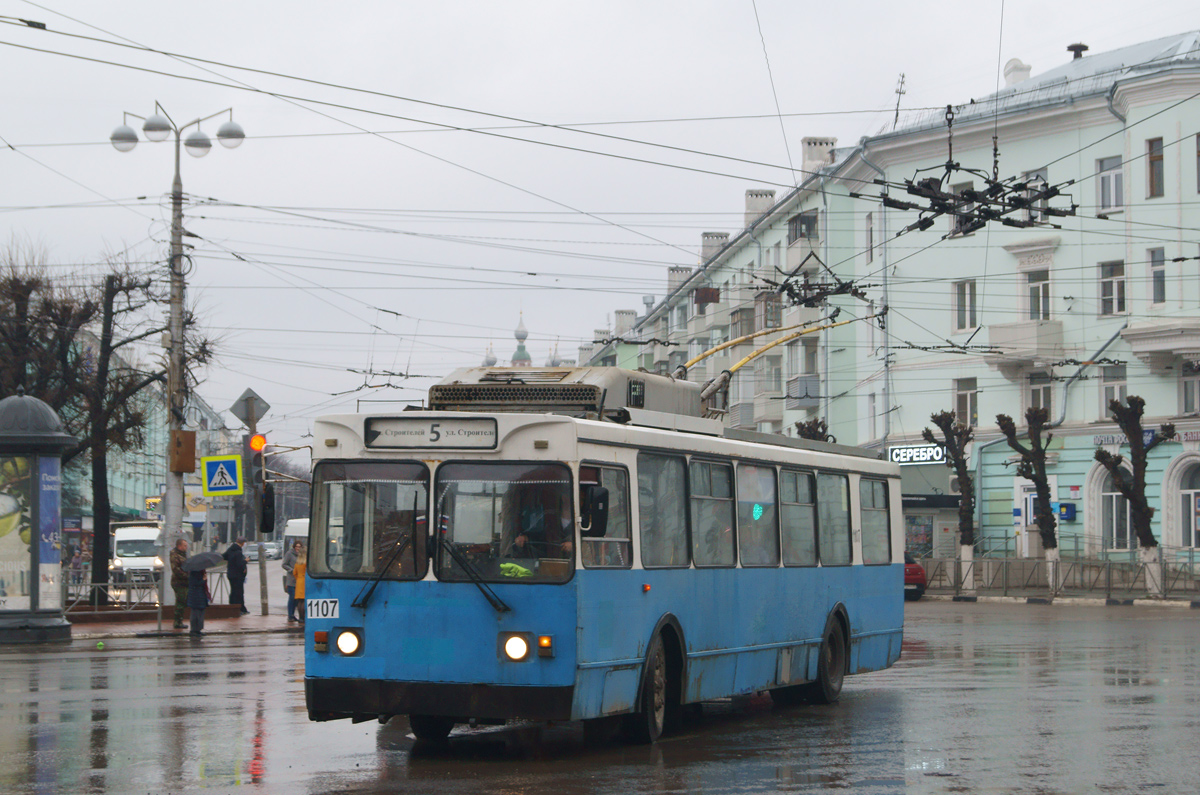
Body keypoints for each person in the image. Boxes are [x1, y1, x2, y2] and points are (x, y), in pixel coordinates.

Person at [223, 536, 249, 615]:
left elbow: (224, 556)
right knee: (239, 593)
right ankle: (240, 609)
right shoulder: (238, 552)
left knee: (233, 592)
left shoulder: (231, 549)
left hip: (231, 574)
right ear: (243, 543)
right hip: (237, 576)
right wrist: (245, 561)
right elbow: (239, 564)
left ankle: (232, 607)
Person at [169, 538, 189, 629]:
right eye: (184, 545)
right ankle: (177, 622)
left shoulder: (182, 554)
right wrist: (186, 575)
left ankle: (179, 620)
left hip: (183, 582)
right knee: (180, 602)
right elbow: (176, 569)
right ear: (179, 546)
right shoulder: (175, 555)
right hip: (178, 582)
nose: (186, 547)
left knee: (182, 601)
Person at [187, 567, 211, 637]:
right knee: (196, 613)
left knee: (200, 613)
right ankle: (194, 630)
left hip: (199, 595)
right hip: (196, 595)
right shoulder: (194, 572)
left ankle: (197, 630)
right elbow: (195, 584)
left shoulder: (199, 572)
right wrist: (203, 580)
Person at [283, 540, 303, 622]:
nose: (298, 548)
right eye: (296, 546)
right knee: (292, 597)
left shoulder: (302, 555)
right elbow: (284, 564)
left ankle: (293, 615)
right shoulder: (289, 554)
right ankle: (290, 615)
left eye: (299, 547)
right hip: (291, 580)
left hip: (299, 580)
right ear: (294, 547)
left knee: (296, 599)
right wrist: (292, 570)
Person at [293, 548, 307, 625]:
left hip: (299, 582)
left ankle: (300, 617)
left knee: (299, 601)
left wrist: (298, 578)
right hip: (304, 582)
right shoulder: (306, 563)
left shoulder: (297, 563)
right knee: (304, 600)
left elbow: (294, 573)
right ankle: (303, 617)